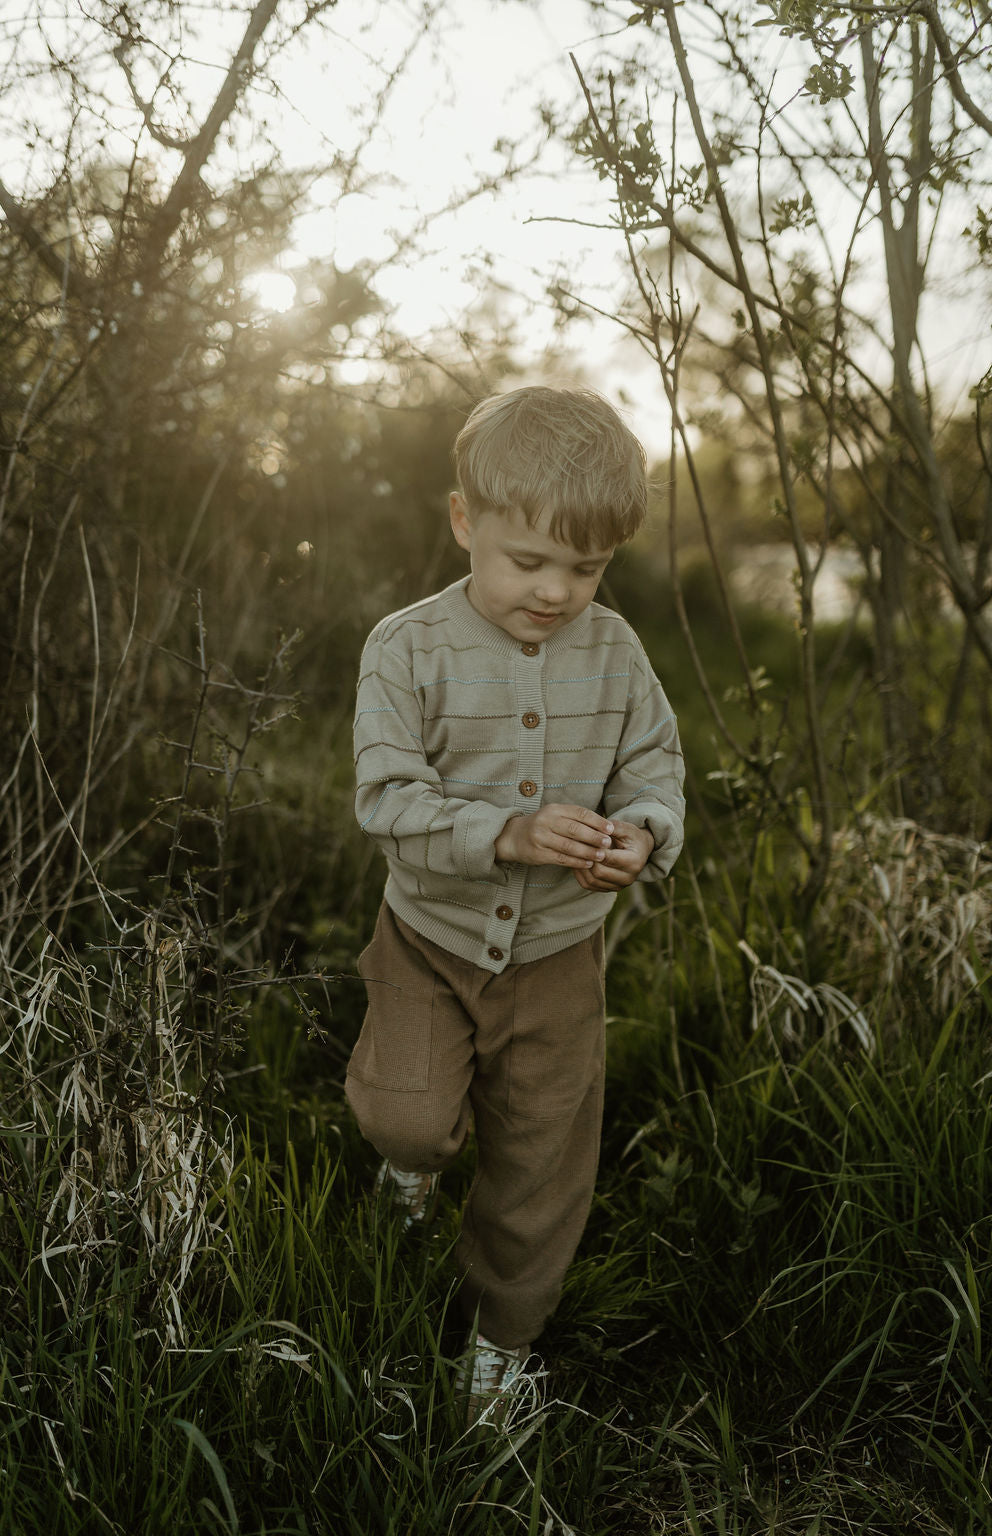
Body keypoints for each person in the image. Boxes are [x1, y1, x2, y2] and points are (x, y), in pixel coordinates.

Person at [346, 384, 685, 1424]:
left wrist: (641, 833)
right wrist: (504, 831)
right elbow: (385, 798)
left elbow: (655, 770)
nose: (555, 591)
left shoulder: (617, 654)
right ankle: (412, 1171)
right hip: (430, 940)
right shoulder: (406, 649)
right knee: (405, 1117)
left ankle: (501, 1343)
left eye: (584, 568)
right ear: (464, 522)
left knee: (542, 1155)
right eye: (528, 562)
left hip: (556, 959)